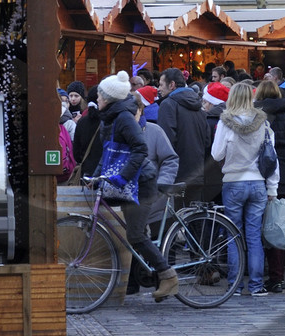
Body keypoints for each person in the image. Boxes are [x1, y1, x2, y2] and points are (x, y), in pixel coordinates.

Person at [84, 71, 178, 301]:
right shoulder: (110, 117)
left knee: (135, 235)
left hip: (141, 182)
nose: (97, 99)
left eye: (100, 95)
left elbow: (140, 150)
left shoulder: (124, 118)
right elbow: (108, 153)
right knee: (134, 232)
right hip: (128, 181)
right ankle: (143, 273)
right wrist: (95, 178)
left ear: (109, 98)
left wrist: (123, 177)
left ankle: (168, 277)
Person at [211, 82, 273, 297]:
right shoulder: (264, 124)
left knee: (233, 235)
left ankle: (235, 286)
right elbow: (272, 159)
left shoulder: (225, 123)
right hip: (257, 183)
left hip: (233, 182)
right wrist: (272, 188)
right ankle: (256, 285)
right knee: (254, 235)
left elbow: (216, 154)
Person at [125, 94, 181, 297]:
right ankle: (131, 283)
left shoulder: (154, 131)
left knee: (160, 240)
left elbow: (170, 159)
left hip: (156, 196)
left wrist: (162, 183)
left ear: (140, 111)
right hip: (133, 197)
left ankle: (164, 284)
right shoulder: (122, 132)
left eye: (133, 112)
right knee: (133, 237)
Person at [254, 78, 285, 293]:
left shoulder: (255, 116)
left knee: (255, 226)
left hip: (260, 175)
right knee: (278, 227)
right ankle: (277, 276)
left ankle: (257, 272)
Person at [156, 68, 211, 205]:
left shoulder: (168, 104)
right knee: (194, 218)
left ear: (172, 84)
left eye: (161, 84)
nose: (158, 89)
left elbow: (166, 141)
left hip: (176, 174)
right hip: (197, 172)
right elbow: (207, 140)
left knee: (178, 218)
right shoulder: (199, 107)